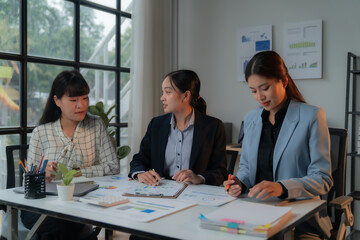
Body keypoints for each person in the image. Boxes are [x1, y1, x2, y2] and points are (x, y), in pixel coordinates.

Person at [224, 51, 333, 240]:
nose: (259, 96)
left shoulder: (312, 116)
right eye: (253, 91)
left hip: (300, 220)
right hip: (255, 213)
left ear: (283, 81)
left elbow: (323, 179)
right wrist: (239, 183)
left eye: (264, 88)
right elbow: (246, 168)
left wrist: (282, 187)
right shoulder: (251, 119)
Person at [21, 70, 120, 240]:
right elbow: (26, 181)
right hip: (41, 204)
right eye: (73, 100)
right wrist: (41, 176)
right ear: (57, 101)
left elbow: (112, 166)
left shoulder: (95, 126)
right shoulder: (42, 132)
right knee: (64, 222)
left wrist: (75, 172)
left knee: (69, 221)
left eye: (84, 98)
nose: (81, 105)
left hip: (80, 202)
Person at [129, 69, 228, 186]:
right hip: (160, 192)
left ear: (186, 96)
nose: (162, 97)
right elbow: (139, 159)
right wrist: (140, 173)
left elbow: (220, 171)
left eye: (168, 92)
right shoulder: (156, 124)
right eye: (163, 92)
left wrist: (199, 178)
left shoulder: (214, 127)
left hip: (195, 195)